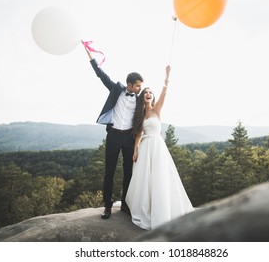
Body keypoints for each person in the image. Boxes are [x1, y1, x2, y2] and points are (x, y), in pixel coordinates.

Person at [125, 65, 194, 230]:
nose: (148, 94)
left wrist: (167, 76)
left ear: (152, 96)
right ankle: (146, 209)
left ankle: (162, 210)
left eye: (150, 92)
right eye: (145, 92)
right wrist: (135, 150)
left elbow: (164, 93)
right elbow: (138, 135)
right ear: (142, 97)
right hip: (145, 147)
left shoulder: (157, 110)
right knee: (144, 180)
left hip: (157, 147)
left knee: (159, 177)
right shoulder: (140, 115)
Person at [83, 44, 144, 219]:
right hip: (113, 136)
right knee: (109, 172)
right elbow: (101, 75)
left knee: (128, 172)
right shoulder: (116, 89)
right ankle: (107, 206)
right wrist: (91, 57)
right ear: (130, 85)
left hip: (129, 139)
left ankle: (125, 204)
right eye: (138, 86)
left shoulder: (139, 99)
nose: (139, 88)